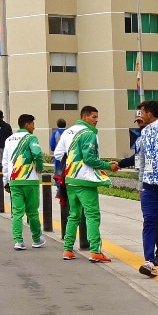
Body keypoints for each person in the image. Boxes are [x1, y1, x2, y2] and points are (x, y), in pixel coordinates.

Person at [116, 99, 158, 278]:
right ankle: (149, 261)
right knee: (149, 222)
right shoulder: (144, 133)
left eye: (142, 112)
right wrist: (140, 186)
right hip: (150, 187)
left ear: (149, 113)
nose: (140, 115)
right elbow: (143, 162)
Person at [58, 106, 118, 263]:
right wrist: (107, 166)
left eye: (97, 117)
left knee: (74, 215)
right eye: (94, 117)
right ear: (85, 117)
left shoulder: (68, 131)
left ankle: (68, 249)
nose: (96, 120)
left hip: (70, 179)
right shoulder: (89, 133)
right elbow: (89, 159)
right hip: (85, 180)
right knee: (92, 215)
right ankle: (95, 251)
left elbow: (58, 154)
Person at [3, 114, 45, 249]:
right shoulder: (31, 138)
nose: (34, 127)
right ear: (27, 125)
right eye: (33, 124)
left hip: (14, 180)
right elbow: (37, 153)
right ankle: (37, 239)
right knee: (32, 211)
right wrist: (39, 166)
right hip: (30, 180)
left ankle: (18, 241)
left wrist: (6, 181)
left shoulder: (9, 140)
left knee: (17, 212)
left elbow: (5, 163)